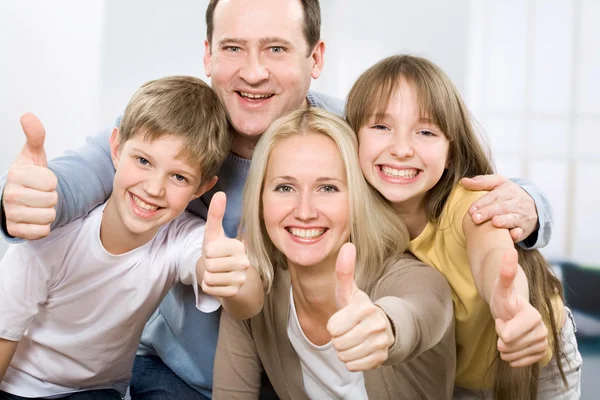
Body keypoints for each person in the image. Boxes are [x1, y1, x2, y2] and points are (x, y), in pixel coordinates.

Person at [0, 0, 555, 398]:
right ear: (208, 55)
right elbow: (82, 173)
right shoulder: (180, 133)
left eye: (276, 48)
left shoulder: (351, 129)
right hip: (181, 372)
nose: (254, 70)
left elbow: (455, 185)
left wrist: (530, 208)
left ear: (315, 57)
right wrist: (30, 199)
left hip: (313, 374)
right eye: (234, 48)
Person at [0, 76, 264, 399]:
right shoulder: (51, 241)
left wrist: (234, 273)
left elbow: (244, 298)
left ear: (201, 188)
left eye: (179, 176)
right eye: (143, 161)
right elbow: (4, 337)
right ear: (115, 148)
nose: (154, 188)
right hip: (19, 386)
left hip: (96, 391)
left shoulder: (181, 239)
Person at [345, 54, 582, 399]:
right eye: (381, 127)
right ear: (352, 138)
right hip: (457, 373)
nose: (400, 149)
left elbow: (492, 258)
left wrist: (510, 304)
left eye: (425, 131)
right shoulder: (353, 213)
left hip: (534, 354)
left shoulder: (470, 205)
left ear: (451, 153)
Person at [213, 107, 456, 399]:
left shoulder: (412, 279)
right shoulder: (251, 287)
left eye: (327, 188)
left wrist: (385, 327)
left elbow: (418, 313)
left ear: (357, 198)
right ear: (260, 198)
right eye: (285, 187)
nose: (304, 212)